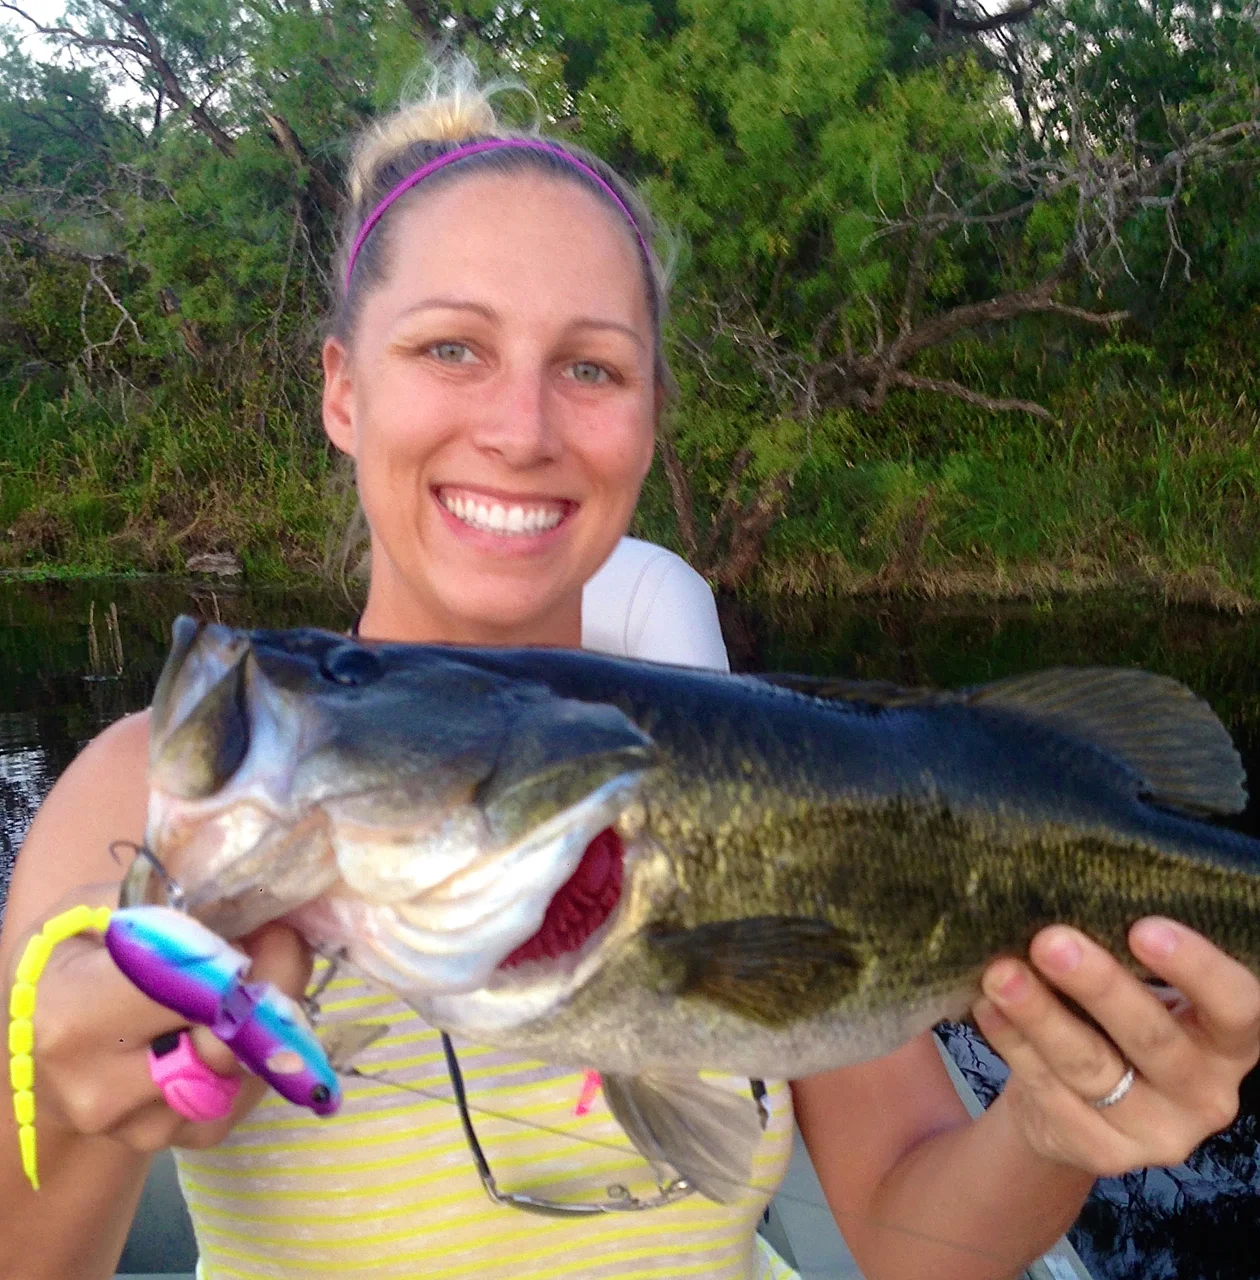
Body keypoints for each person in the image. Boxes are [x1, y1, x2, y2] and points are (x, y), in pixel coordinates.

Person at [2, 58, 1258, 1280]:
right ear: (342, 391)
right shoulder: (138, 806)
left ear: (649, 414)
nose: (519, 426)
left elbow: (913, 1239)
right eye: (451, 347)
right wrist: (66, 1112)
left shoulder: (762, 775)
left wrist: (1054, 1124)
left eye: (590, 367)